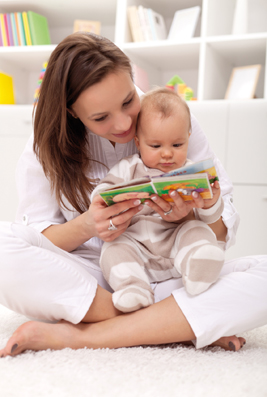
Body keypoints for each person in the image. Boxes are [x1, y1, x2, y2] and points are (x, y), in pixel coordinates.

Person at [0, 32, 266, 358]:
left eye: (128, 101)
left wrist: (193, 213)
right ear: (71, 112)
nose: (125, 122)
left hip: (173, 272)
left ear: (132, 74)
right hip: (93, 280)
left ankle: (85, 335)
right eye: (100, 118)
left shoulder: (169, 117)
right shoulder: (46, 145)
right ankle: (171, 323)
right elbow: (36, 241)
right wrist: (88, 225)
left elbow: (221, 230)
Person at [92, 87, 225, 312]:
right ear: (138, 142)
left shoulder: (191, 171)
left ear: (188, 139)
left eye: (177, 145)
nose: (167, 153)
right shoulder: (129, 167)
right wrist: (113, 198)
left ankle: (198, 266)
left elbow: (209, 216)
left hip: (176, 242)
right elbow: (101, 195)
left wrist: (211, 202)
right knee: (112, 249)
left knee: (197, 230)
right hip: (136, 246)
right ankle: (133, 287)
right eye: (155, 146)